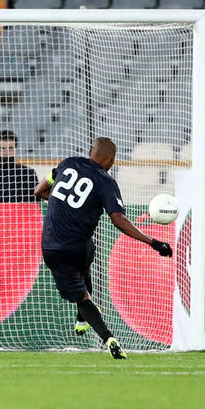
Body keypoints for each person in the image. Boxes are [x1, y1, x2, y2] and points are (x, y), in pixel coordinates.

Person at [34, 137, 172, 360]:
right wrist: (154, 243)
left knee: (82, 297)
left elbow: (39, 191)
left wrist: (65, 204)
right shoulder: (105, 181)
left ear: (90, 151)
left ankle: (107, 337)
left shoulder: (66, 163)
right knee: (86, 261)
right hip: (79, 246)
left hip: (52, 247)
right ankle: (87, 320)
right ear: (112, 160)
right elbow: (118, 220)